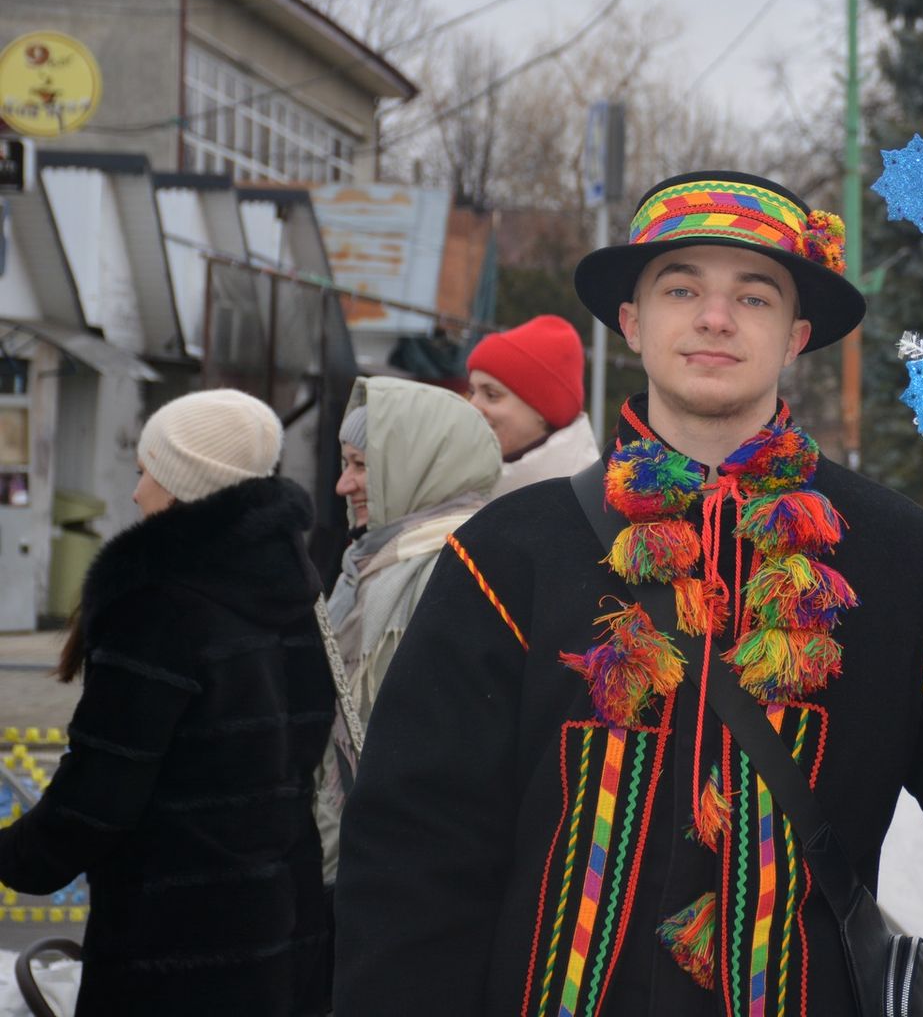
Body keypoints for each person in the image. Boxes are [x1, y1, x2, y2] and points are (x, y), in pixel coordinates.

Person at [335, 171, 923, 1014]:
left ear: (797, 336)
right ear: (631, 320)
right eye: (682, 288)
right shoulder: (508, 552)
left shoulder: (905, 562)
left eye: (754, 296)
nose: (715, 318)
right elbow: (416, 853)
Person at [0, 389, 332, 1015]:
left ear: (183, 482)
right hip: (281, 926)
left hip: (173, 947)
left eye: (144, 471)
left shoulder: (157, 608)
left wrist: (17, 855)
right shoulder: (294, 586)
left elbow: (98, 796)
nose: (134, 492)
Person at [314, 375, 500, 882]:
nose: (343, 484)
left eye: (361, 466)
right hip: (357, 857)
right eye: (344, 463)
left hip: (396, 870)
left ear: (414, 468)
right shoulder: (374, 562)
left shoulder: (446, 570)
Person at [467, 313, 600, 496]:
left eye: (491, 394)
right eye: (472, 392)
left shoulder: (592, 499)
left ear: (542, 412)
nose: (472, 406)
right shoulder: (462, 485)